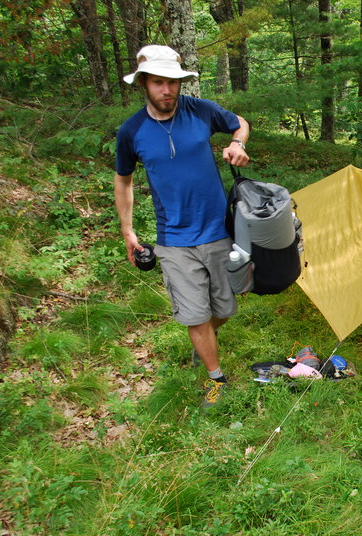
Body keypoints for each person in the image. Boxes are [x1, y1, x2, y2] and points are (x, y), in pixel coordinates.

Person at [113, 45, 249, 409]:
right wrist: (128, 231)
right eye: (159, 82)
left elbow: (239, 123)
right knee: (195, 314)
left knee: (225, 307)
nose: (168, 90)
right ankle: (215, 377)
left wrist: (237, 142)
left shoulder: (201, 111)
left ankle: (203, 342)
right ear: (144, 83)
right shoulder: (132, 131)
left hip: (219, 230)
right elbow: (123, 180)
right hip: (173, 240)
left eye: (173, 82)